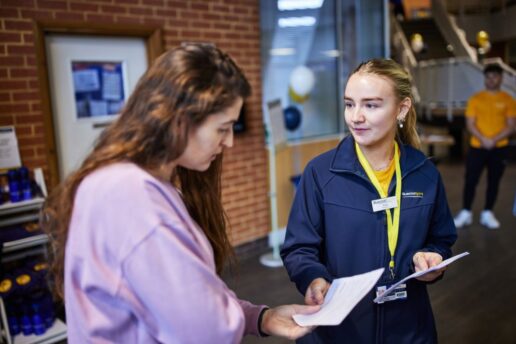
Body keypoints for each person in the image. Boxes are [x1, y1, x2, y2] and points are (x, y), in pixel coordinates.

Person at [41, 44, 318, 343]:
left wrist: (261, 317)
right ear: (181, 120)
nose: (229, 143)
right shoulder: (132, 200)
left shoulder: (147, 185)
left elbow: (195, 296)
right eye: (222, 129)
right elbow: (205, 331)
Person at [281, 58, 457, 343]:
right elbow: (299, 247)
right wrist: (313, 278)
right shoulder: (320, 173)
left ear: (402, 108)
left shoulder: (424, 174)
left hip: (410, 329)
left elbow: (441, 238)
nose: (355, 117)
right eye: (350, 104)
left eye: (371, 105)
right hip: (339, 329)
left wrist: (433, 258)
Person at [454, 63, 515, 229]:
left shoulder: (508, 100)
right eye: (488, 77)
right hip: (477, 147)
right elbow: (470, 123)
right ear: (485, 79)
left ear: (501, 78)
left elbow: (511, 125)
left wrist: (494, 140)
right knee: (471, 180)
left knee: (494, 181)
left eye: (494, 76)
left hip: (499, 148)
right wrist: (483, 139)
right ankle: (466, 212)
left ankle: (487, 213)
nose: (491, 80)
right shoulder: (476, 99)